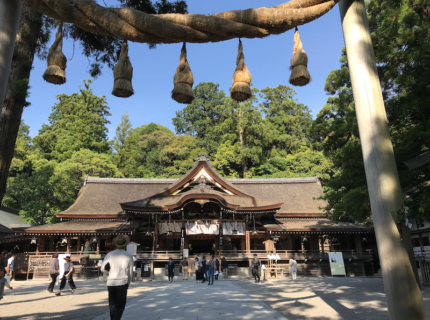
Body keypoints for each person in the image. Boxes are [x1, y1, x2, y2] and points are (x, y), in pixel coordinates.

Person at [101, 234, 134, 320]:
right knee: (120, 306)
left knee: (112, 306)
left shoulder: (109, 254)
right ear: (125, 244)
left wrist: (108, 271)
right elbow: (129, 272)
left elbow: (103, 269)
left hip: (111, 282)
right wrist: (128, 283)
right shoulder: (129, 256)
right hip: (122, 282)